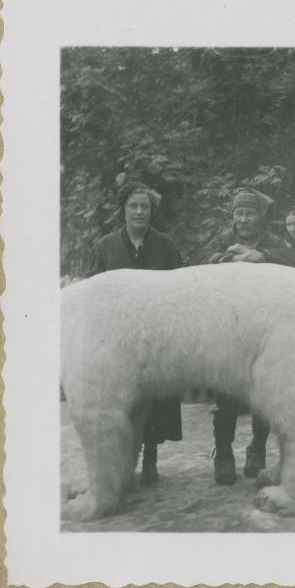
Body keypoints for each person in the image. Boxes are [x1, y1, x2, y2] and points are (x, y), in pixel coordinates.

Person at [194, 187, 295, 485]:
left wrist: (261, 256)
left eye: (249, 213)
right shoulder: (224, 241)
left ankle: (257, 450)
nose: (243, 219)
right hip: (229, 328)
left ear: (260, 216)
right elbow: (198, 259)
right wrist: (224, 259)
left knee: (263, 393)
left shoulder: (273, 242)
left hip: (265, 329)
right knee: (226, 393)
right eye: (239, 213)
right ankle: (224, 453)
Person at [87, 181, 184, 485]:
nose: (140, 211)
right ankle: (125, 465)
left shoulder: (166, 246)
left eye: (145, 206)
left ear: (151, 210)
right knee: (122, 403)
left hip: (156, 338)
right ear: (124, 209)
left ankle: (151, 462)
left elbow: (180, 291)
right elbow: (93, 294)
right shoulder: (105, 247)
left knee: (153, 400)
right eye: (134, 206)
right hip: (118, 341)